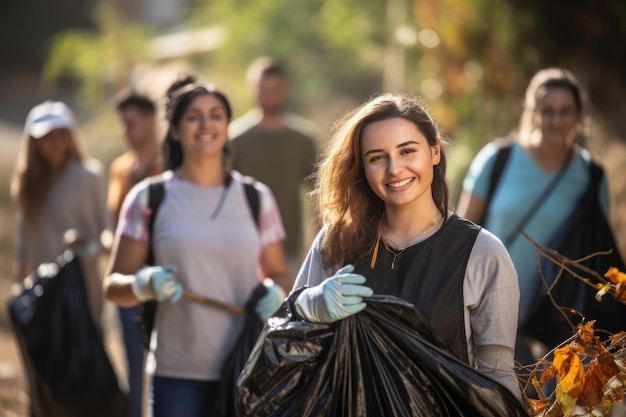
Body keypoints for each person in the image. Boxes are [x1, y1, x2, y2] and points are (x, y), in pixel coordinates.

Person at [291, 93, 522, 399]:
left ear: (434, 151)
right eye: (377, 157)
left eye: (407, 151)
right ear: (362, 167)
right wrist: (309, 306)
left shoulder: (481, 253)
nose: (395, 168)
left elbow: (497, 377)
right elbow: (287, 337)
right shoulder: (336, 243)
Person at [103, 79, 292, 417]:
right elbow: (113, 286)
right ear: (174, 131)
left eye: (216, 115)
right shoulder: (149, 198)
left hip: (248, 368)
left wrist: (275, 293)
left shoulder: (256, 198)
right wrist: (141, 284)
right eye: (193, 117)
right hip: (176, 376)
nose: (206, 124)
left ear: (226, 126)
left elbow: (279, 273)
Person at [456, 68, 621, 366]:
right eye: (547, 111)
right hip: (493, 309)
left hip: (559, 322)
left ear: (578, 115)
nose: (556, 121)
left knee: (558, 410)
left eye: (565, 111)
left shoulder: (590, 176)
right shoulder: (497, 160)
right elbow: (460, 234)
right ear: (532, 112)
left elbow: (600, 250)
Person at [11, 99, 112, 327]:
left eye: (61, 135)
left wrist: (87, 242)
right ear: (34, 143)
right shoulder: (28, 182)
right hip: (40, 288)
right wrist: (20, 284)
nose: (55, 144)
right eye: (48, 137)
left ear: (70, 137)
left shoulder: (89, 176)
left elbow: (107, 234)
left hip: (82, 289)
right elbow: (24, 237)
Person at [229, 56, 319, 277]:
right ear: (252, 90)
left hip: (289, 249)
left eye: (275, 88)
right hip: (241, 249)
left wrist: (320, 244)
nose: (269, 95)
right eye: (263, 88)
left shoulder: (302, 139)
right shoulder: (234, 139)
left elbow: (320, 195)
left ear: (286, 90)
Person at [108, 90, 163, 417]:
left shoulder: (169, 167)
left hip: (163, 281)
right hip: (128, 279)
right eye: (122, 124)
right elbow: (113, 225)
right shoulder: (119, 169)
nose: (126, 131)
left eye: (132, 123)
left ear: (152, 121)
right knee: (132, 363)